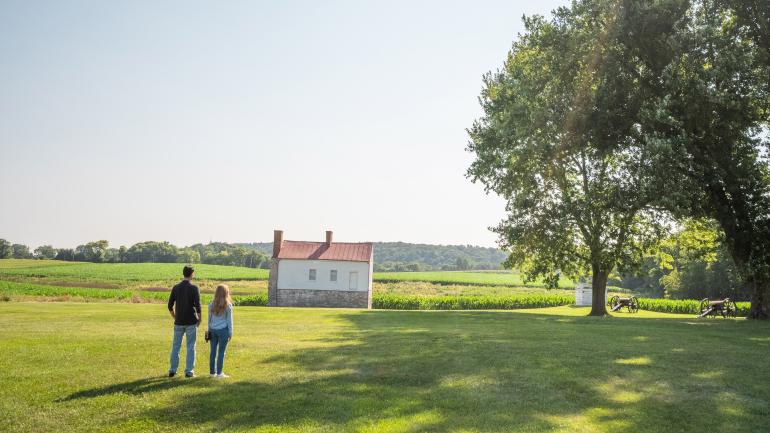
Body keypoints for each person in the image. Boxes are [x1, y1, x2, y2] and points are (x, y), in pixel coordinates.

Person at [167, 265, 201, 378]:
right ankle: (189, 371)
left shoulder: (176, 287)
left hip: (179, 321)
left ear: (183, 273)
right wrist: (200, 319)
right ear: (192, 274)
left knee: (176, 346)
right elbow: (198, 305)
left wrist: (175, 316)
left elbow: (170, 306)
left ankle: (172, 370)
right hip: (191, 321)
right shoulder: (194, 288)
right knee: (191, 347)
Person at [208, 284, 233, 378]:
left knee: (213, 352)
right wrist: (230, 332)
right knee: (221, 352)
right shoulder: (228, 305)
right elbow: (229, 321)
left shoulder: (211, 304)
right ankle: (219, 373)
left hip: (212, 330)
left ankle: (212, 373)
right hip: (223, 331)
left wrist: (209, 330)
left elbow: (209, 319)